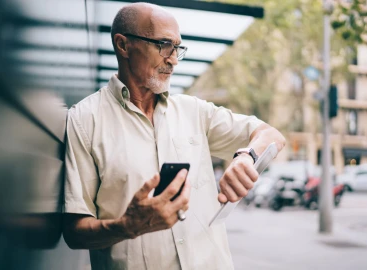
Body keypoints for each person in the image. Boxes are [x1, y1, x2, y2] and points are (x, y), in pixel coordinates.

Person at [63, 2, 286, 270]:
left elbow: (270, 134)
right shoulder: (84, 120)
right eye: (164, 45)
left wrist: (247, 157)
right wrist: (127, 226)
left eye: (177, 48)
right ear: (123, 45)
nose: (174, 59)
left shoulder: (195, 111)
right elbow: (74, 232)